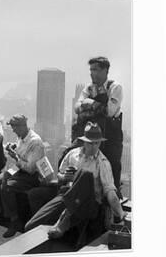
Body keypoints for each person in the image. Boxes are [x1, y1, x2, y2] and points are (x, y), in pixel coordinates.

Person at [24, 122, 126, 240]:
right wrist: (65, 177)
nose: (93, 147)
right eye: (90, 143)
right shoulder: (73, 154)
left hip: (88, 203)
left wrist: (120, 213)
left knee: (85, 175)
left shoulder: (102, 163)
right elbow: (60, 175)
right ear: (84, 142)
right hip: (67, 196)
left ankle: (63, 222)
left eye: (96, 143)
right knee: (30, 226)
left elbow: (110, 192)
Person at [0, 114, 45, 238]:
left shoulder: (35, 142)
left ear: (22, 126)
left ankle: (14, 220)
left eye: (14, 127)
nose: (13, 130)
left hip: (30, 176)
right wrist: (13, 149)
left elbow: (31, 168)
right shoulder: (21, 137)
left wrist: (15, 157)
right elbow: (21, 154)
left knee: (6, 186)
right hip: (17, 169)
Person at [74, 56, 124, 191]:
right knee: (75, 157)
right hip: (91, 135)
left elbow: (109, 111)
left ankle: (113, 198)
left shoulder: (115, 88)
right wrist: (93, 106)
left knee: (112, 165)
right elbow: (77, 108)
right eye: (91, 69)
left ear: (105, 71)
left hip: (111, 135)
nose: (91, 73)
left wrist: (91, 103)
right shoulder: (89, 88)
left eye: (95, 69)